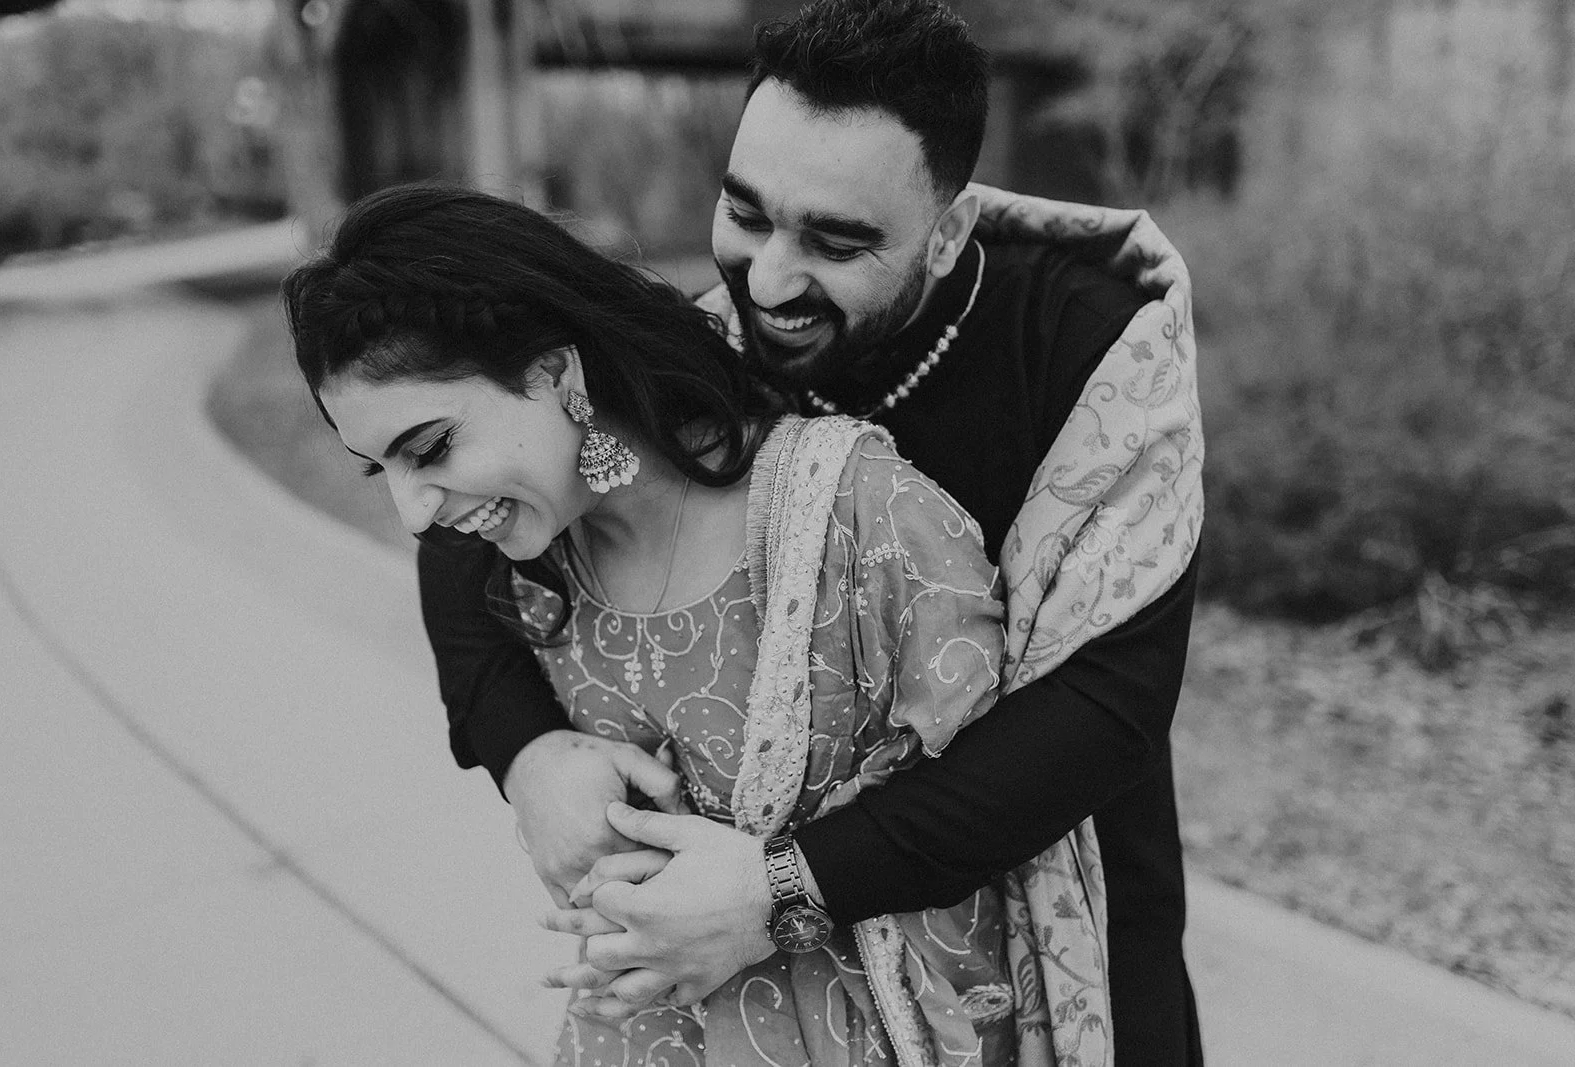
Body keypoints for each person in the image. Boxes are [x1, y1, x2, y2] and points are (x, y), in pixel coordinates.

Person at [425, 1, 1205, 1063]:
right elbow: (462, 517)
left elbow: (1105, 711)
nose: (769, 280)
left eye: (836, 242)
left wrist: (781, 886)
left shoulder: (1097, 349)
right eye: (746, 214)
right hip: (762, 988)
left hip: (1049, 886)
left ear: (946, 232)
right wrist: (529, 753)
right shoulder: (692, 344)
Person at [283, 183, 1118, 1065]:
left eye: (431, 447)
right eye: (381, 470)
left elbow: (1007, 803)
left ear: (557, 375)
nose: (414, 513)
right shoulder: (522, 554)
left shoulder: (857, 515)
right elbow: (454, 592)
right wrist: (530, 759)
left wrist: (780, 895)